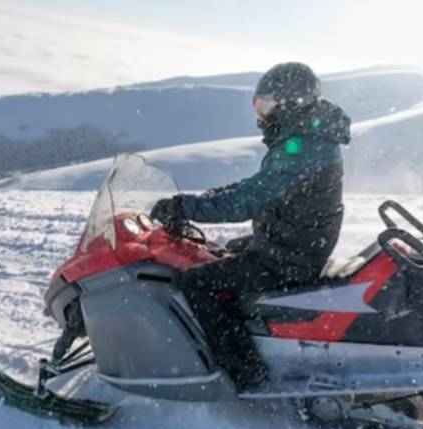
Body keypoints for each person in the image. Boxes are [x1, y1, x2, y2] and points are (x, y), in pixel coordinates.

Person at [150, 62, 351, 389]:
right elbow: (261, 185)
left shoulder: (306, 147)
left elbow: (248, 201)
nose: (262, 115)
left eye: (267, 105)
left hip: (288, 258)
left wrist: (186, 207)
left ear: (290, 104)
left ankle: (245, 372)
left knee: (197, 283)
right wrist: (213, 194)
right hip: (291, 242)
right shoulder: (307, 138)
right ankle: (254, 339)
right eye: (259, 105)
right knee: (223, 252)